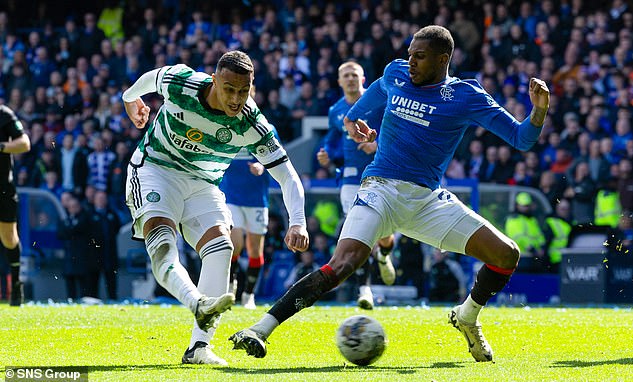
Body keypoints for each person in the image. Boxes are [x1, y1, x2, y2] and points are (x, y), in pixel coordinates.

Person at [230, 25, 550, 363]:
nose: (410, 60)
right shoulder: (395, 73)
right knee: (342, 265)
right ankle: (259, 330)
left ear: (443, 60)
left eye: (419, 56)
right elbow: (356, 114)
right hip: (379, 189)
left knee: (505, 254)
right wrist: (358, 126)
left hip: (427, 200)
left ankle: (467, 316)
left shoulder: (466, 96)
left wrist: (539, 111)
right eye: (410, 53)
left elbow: (522, 139)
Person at [122, 50, 309, 366]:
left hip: (203, 183)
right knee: (163, 243)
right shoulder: (181, 82)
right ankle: (198, 302)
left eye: (243, 91)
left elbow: (287, 175)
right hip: (156, 169)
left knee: (222, 248)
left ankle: (198, 349)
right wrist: (130, 99)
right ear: (213, 80)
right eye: (229, 89)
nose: (236, 99)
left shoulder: (252, 124)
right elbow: (147, 80)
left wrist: (298, 221)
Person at [316, 61, 396, 310]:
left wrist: (377, 144)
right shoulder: (336, 110)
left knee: (383, 236)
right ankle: (365, 290)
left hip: (382, 173)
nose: (350, 79)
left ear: (363, 79)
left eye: (354, 75)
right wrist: (327, 153)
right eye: (345, 75)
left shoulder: (378, 102)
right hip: (350, 178)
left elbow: (397, 130)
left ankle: (384, 255)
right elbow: (332, 139)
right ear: (339, 81)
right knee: (362, 232)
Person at [220, 147, 270, 310]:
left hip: (257, 200)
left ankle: (249, 295)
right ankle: (229, 288)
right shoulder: (228, 129)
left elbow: (277, 160)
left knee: (255, 250)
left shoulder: (266, 129)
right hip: (231, 196)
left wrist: (262, 166)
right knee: (234, 243)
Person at [0, 105, 31, 306]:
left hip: (3, 187)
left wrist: (1, 147)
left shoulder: (4, 114)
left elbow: (24, 144)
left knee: (8, 237)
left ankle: (17, 282)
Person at [504, 192, 546, 273]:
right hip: (521, 258)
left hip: (533, 258)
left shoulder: (532, 220)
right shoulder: (513, 219)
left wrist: (542, 247)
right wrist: (533, 249)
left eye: (527, 205)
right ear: (517, 205)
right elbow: (518, 238)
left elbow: (539, 236)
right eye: (523, 206)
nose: (526, 208)